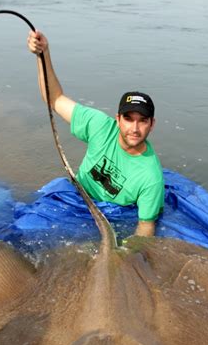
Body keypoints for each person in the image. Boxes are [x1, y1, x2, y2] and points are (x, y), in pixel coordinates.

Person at [27, 30, 164, 237]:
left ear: (152, 124)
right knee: (27, 226)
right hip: (78, 194)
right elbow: (54, 99)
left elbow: (145, 225)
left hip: (113, 215)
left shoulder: (151, 177)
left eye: (142, 121)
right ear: (118, 119)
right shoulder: (100, 125)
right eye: (128, 119)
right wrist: (43, 55)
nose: (134, 129)